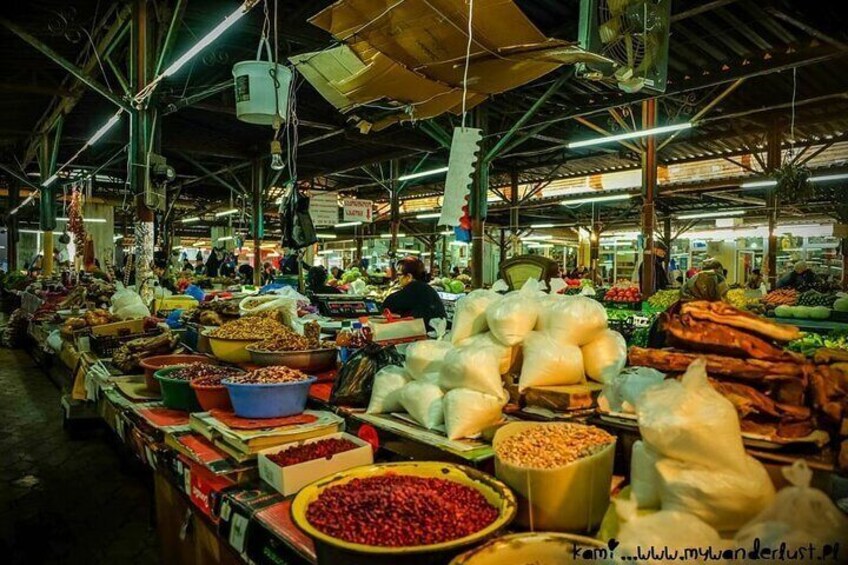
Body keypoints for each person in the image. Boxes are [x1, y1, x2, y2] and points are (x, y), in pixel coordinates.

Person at [382, 257, 447, 330]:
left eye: (399, 275)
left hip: (424, 335)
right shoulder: (427, 288)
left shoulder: (413, 289)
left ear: (409, 277)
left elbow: (387, 304)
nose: (398, 278)